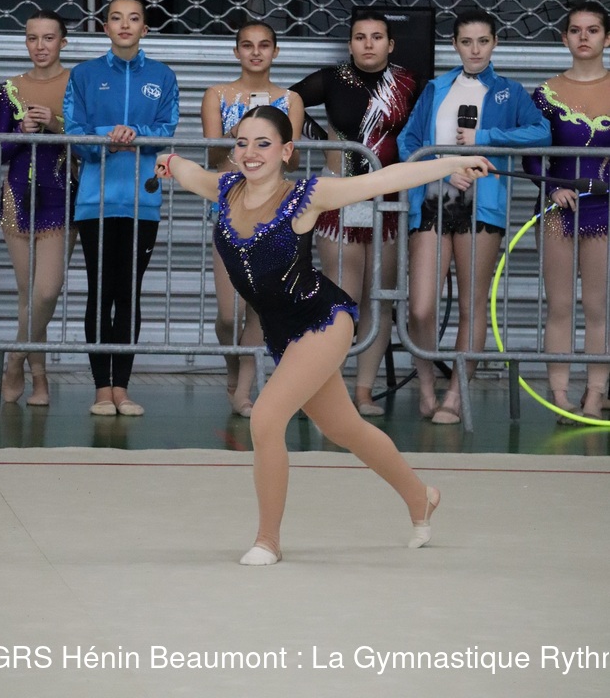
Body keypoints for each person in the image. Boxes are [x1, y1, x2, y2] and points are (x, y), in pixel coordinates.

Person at [155, 105, 492, 564]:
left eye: (263, 144)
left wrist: (452, 162)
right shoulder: (226, 188)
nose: (250, 153)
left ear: (286, 151)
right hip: (282, 334)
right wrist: (169, 160)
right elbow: (189, 171)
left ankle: (268, 540)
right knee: (342, 427)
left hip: (323, 320)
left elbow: (385, 179)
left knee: (265, 419)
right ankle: (421, 497)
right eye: (242, 143)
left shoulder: (307, 195)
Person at [397, 10, 551, 424]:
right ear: (455, 45)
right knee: (420, 306)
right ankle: (425, 387)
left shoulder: (508, 91)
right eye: (467, 42)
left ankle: (455, 395)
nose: (476, 50)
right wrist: (442, 166)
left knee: (471, 304)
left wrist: (484, 138)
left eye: (483, 41)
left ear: (495, 43)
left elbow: (540, 132)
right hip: (433, 202)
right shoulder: (436, 88)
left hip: (482, 206)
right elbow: (408, 140)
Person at [291, 10, 418, 416]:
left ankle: (363, 391)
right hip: (341, 198)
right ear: (350, 44)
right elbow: (289, 100)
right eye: (360, 37)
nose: (368, 43)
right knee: (341, 299)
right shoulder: (332, 79)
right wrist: (317, 140)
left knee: (378, 300)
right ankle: (327, 389)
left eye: (377, 36)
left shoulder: (408, 83)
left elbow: (420, 133)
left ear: (390, 44)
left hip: (387, 201)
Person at [64, 0, 179, 417]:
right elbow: (74, 131)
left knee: (129, 292)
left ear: (144, 28)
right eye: (116, 17)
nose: (125, 24)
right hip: (95, 202)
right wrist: (107, 140)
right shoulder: (84, 74)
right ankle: (101, 389)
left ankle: (122, 389)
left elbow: (166, 129)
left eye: (133, 18)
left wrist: (136, 133)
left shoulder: (163, 76)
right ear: (106, 26)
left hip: (141, 202)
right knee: (101, 291)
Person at [200, 20, 304, 416]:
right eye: (247, 45)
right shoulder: (217, 94)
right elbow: (212, 156)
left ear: (275, 51)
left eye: (264, 45)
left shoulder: (290, 100)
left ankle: (243, 390)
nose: (256, 52)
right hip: (229, 208)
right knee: (230, 314)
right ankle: (233, 366)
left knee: (259, 305)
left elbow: (291, 158)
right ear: (237, 51)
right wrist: (237, 134)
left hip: (273, 212)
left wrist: (267, 139)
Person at [523, 1, 610, 421]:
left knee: (596, 306)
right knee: (559, 306)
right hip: (558, 210)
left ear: (607, 38)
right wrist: (552, 187)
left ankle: (594, 394)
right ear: (564, 38)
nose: (583, 37)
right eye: (576, 30)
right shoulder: (545, 92)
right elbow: (531, 152)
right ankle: (559, 395)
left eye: (592, 30)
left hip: (605, 209)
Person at [0, 10, 76, 406]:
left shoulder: (77, 84)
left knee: (46, 292)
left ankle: (14, 360)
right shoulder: (11, 88)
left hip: (61, 197)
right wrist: (19, 131)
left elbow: (87, 140)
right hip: (18, 198)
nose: (40, 46)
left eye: (48, 38)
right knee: (28, 296)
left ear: (63, 42)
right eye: (32, 38)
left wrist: (56, 125)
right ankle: (39, 381)